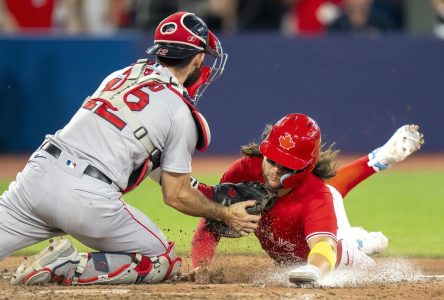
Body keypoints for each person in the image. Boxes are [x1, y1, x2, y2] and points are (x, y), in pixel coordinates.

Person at [2, 11, 260, 286]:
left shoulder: (122, 75)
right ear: (197, 58)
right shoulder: (180, 112)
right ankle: (70, 264)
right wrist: (224, 213)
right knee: (164, 259)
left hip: (37, 177)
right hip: (87, 199)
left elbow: (141, 153)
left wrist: (204, 190)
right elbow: (176, 196)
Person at [190, 113, 424, 284]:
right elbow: (210, 220)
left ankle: (357, 242)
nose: (273, 171)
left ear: (305, 167)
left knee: (371, 273)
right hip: (309, 223)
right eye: (270, 160)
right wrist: (200, 265)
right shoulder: (243, 170)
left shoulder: (316, 194)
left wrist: (314, 270)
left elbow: (324, 246)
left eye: (285, 167)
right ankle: (360, 236)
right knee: (327, 199)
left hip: (336, 253)